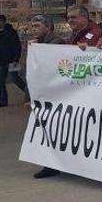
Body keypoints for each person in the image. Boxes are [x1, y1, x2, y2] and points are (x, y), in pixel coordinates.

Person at [28, 15, 66, 179]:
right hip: (43, 94)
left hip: (52, 94)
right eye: (32, 26)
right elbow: (30, 72)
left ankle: (52, 165)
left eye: (37, 25)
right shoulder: (37, 45)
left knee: (51, 129)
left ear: (48, 27)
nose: (33, 29)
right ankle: (50, 163)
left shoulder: (56, 44)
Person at [0, 14, 26, 107]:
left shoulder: (11, 32)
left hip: (12, 60)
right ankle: (3, 101)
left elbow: (17, 46)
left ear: (3, 21)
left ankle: (28, 93)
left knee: (15, 79)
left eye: (0, 21)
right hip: (1, 62)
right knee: (0, 81)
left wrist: (16, 59)